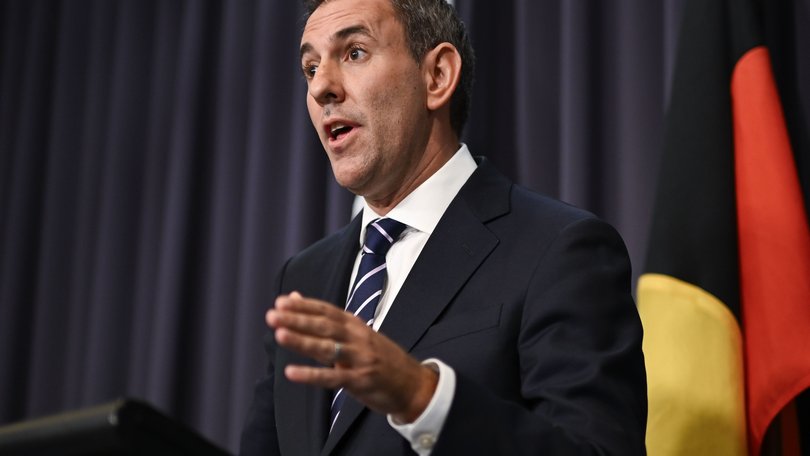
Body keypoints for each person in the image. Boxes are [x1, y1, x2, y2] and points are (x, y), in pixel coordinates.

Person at [239, 0, 647, 454]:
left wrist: (423, 398)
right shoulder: (304, 277)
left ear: (437, 76)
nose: (322, 89)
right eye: (311, 67)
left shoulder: (559, 250)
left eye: (354, 52)